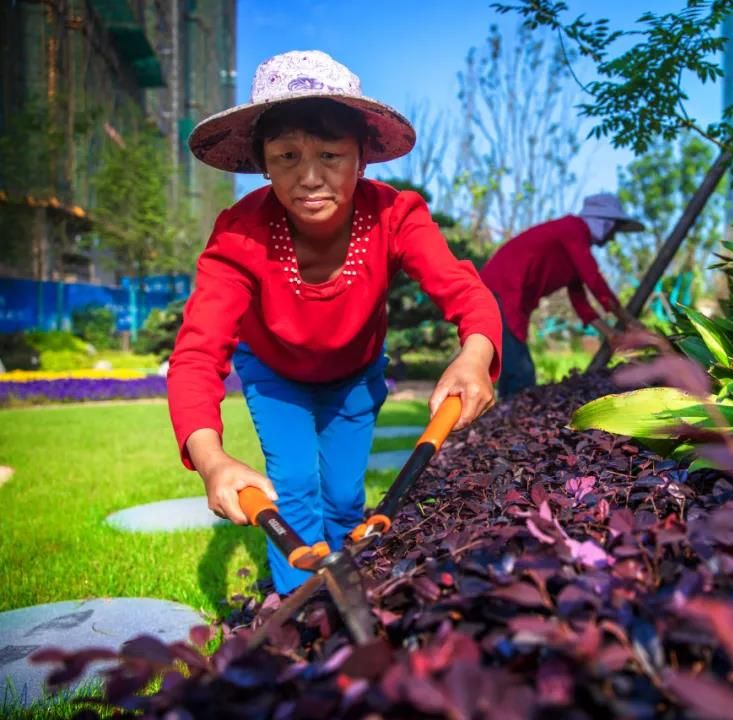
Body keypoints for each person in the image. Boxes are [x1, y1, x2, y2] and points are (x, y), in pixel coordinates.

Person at [169, 50, 502, 595]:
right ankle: (293, 603)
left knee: (346, 496)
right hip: (275, 374)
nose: (309, 177)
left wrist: (475, 354)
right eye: (286, 156)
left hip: (354, 373)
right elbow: (197, 355)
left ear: (362, 158)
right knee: (295, 485)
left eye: (330, 154)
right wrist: (212, 461)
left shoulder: (396, 215)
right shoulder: (239, 234)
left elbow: (465, 290)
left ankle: (353, 591)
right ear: (263, 163)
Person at [479, 193, 644, 397]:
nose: (612, 238)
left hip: (511, 300)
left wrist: (610, 333)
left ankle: (502, 421)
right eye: (614, 231)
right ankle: (506, 423)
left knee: (514, 370)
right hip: (500, 293)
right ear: (606, 224)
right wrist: (629, 321)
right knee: (520, 374)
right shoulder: (572, 230)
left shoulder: (575, 245)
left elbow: (580, 303)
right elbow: (595, 282)